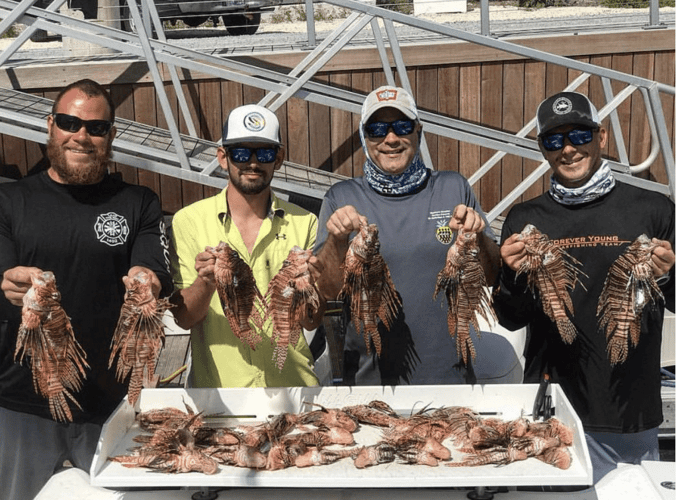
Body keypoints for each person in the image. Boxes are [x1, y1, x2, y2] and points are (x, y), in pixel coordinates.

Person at [0, 78, 173, 500]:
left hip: (110, 405)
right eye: (68, 122)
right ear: (49, 126)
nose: (81, 135)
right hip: (21, 404)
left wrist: (145, 281)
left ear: (111, 135)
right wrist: (11, 283)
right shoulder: (9, 201)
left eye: (96, 128)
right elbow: (3, 275)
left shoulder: (139, 201)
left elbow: (152, 265)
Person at [492, 91, 675, 483]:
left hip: (630, 412)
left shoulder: (654, 209)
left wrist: (663, 276)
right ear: (542, 148)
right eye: (554, 140)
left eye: (580, 135)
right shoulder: (525, 217)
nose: (569, 148)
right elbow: (509, 318)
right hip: (552, 410)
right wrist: (510, 274)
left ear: (602, 137)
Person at [313, 85, 504, 386]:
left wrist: (478, 237)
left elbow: (492, 275)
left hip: (450, 382)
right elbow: (325, 291)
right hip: (368, 386)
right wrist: (337, 241)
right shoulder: (341, 197)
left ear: (419, 131)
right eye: (377, 129)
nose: (390, 138)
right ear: (365, 137)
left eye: (402, 126)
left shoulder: (453, 187)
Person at [169, 104, 327, 388]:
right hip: (219, 393)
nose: (253, 163)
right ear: (222, 157)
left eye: (264, 153)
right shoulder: (188, 221)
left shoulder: (305, 222)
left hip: (293, 385)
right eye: (241, 153)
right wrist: (205, 282)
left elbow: (311, 322)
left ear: (278, 159)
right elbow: (183, 318)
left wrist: (310, 288)